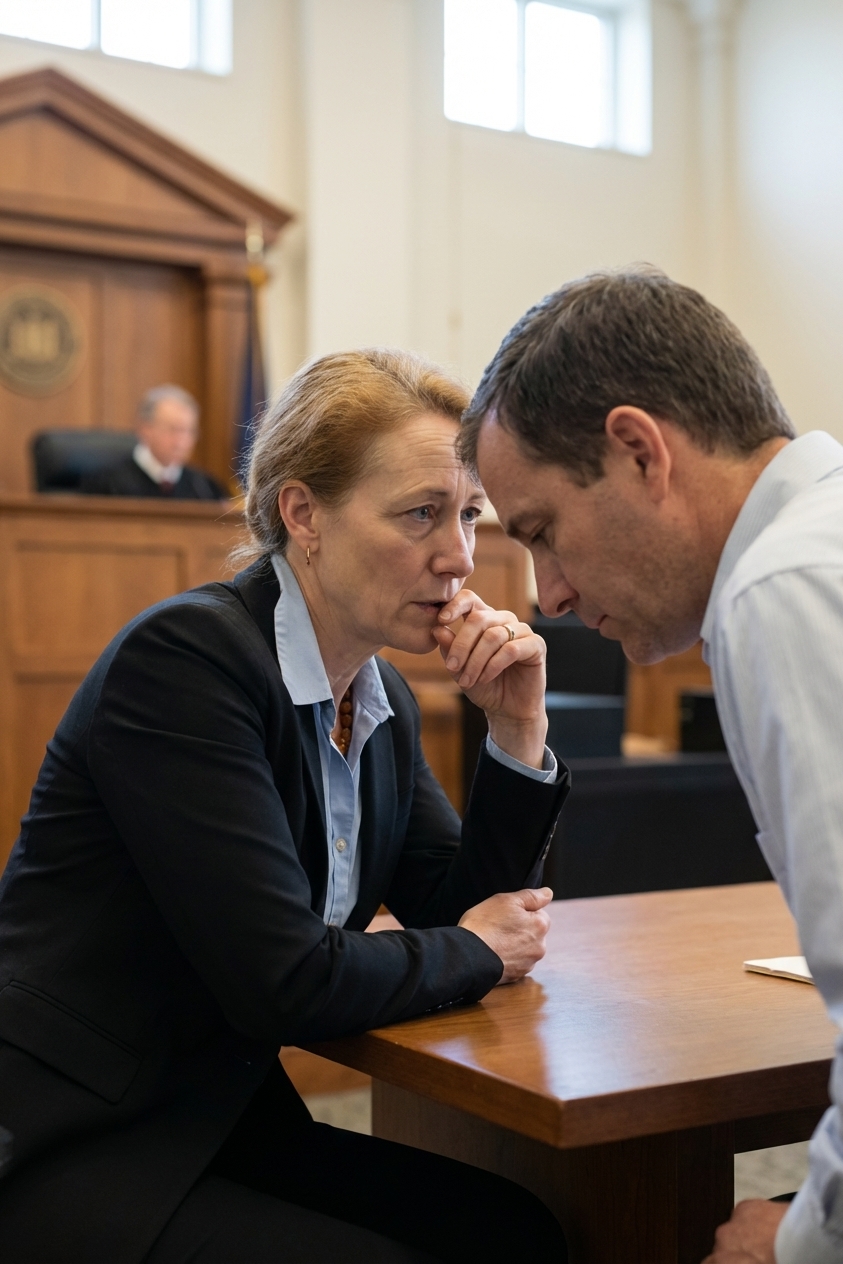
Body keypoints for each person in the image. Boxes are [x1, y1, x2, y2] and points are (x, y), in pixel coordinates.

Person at [0, 349, 569, 1263]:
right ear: (302, 514)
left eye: (468, 515)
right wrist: (473, 947)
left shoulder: (377, 701)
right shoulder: (185, 663)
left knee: (519, 1233)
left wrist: (515, 731)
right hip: (78, 1138)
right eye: (422, 513)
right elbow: (288, 980)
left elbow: (465, 915)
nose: (461, 556)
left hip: (216, 1114)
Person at [459, 265, 843, 1264]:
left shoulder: (784, 589)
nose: (545, 593)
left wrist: (802, 1244)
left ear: (638, 452)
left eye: (541, 531)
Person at [80, 383, 228, 499]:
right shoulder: (107, 483)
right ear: (145, 429)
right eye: (173, 429)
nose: (181, 442)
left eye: (189, 431)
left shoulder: (204, 487)